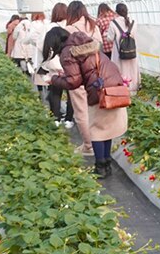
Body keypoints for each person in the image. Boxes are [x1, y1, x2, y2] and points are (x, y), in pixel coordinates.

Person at [48, 30, 128, 179]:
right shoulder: (87, 44)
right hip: (112, 86)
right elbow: (84, 70)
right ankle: (107, 163)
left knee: (96, 131)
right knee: (106, 130)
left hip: (98, 92)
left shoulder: (67, 52)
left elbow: (73, 81)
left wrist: (53, 80)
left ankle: (100, 167)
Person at [64, 1, 103, 156]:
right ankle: (99, 141)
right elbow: (100, 46)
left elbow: (66, 53)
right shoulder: (93, 26)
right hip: (96, 72)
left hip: (78, 74)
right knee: (96, 109)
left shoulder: (69, 29)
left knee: (81, 111)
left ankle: (89, 146)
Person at [36, 3, 73, 127]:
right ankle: (69, 119)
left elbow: (40, 45)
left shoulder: (48, 27)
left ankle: (56, 118)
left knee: (55, 91)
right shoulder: (70, 26)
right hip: (69, 64)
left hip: (53, 64)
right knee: (71, 92)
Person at [105, 2, 140, 93]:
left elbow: (109, 39)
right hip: (132, 50)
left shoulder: (113, 23)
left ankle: (122, 89)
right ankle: (133, 88)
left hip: (119, 52)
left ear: (116, 12)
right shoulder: (134, 22)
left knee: (120, 70)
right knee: (132, 69)